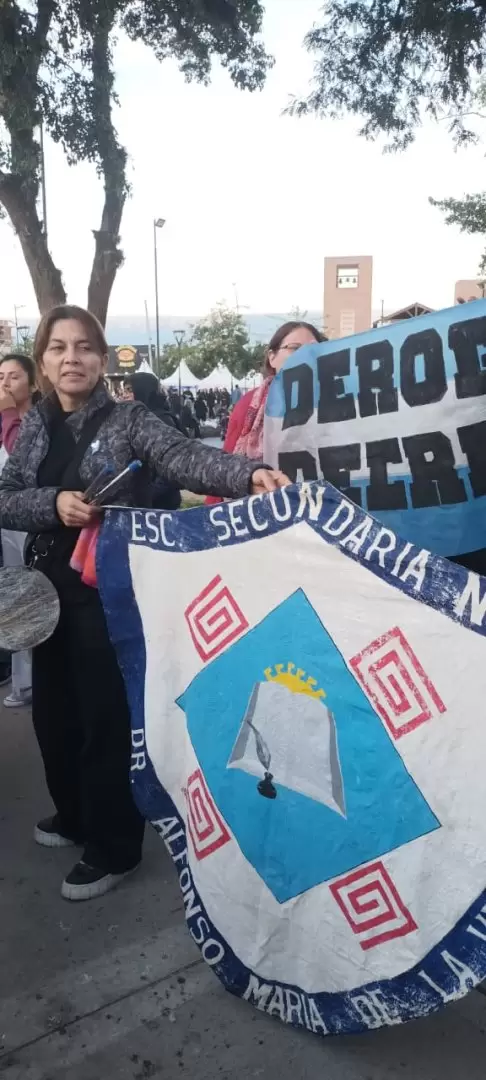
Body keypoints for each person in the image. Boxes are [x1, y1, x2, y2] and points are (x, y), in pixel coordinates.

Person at [0, 304, 289, 902]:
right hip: (42, 594)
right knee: (53, 716)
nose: (71, 358)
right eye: (58, 348)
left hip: (108, 593)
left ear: (103, 360)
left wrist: (249, 475)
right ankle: (75, 815)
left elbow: (187, 457)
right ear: (44, 360)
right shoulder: (35, 424)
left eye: (84, 347)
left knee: (104, 720)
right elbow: (5, 497)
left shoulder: (128, 419)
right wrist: (52, 503)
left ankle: (115, 845)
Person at [206, 321, 325, 505]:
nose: (305, 355)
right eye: (295, 348)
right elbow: (227, 462)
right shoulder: (249, 405)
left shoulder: (337, 402)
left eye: (313, 349)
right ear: (272, 357)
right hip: (265, 510)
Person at [0, 353, 38, 708]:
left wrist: (9, 412)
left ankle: (35, 681)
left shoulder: (34, 422)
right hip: (7, 528)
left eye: (13, 376)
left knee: (33, 596)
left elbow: (20, 460)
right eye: (1, 376)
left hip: (31, 527)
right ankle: (22, 679)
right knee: (13, 598)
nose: (5, 383)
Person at [125, 371, 185, 509]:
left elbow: (170, 469)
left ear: (142, 390)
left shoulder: (162, 420)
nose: (124, 395)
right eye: (124, 390)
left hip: (160, 503)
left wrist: (146, 495)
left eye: (129, 390)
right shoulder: (134, 419)